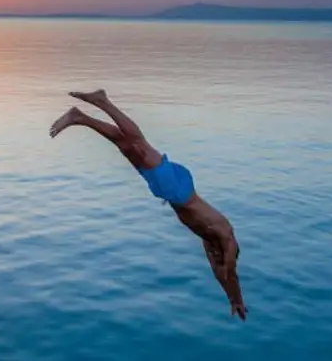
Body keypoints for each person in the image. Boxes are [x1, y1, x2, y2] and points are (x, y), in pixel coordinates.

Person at [49, 89, 248, 321]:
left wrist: (232, 300)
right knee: (139, 144)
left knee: (126, 148)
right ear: (230, 252)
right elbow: (230, 273)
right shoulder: (227, 238)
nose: (214, 257)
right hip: (178, 191)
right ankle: (103, 101)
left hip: (172, 191)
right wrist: (238, 299)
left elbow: (222, 275)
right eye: (219, 257)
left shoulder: (209, 243)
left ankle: (80, 117)